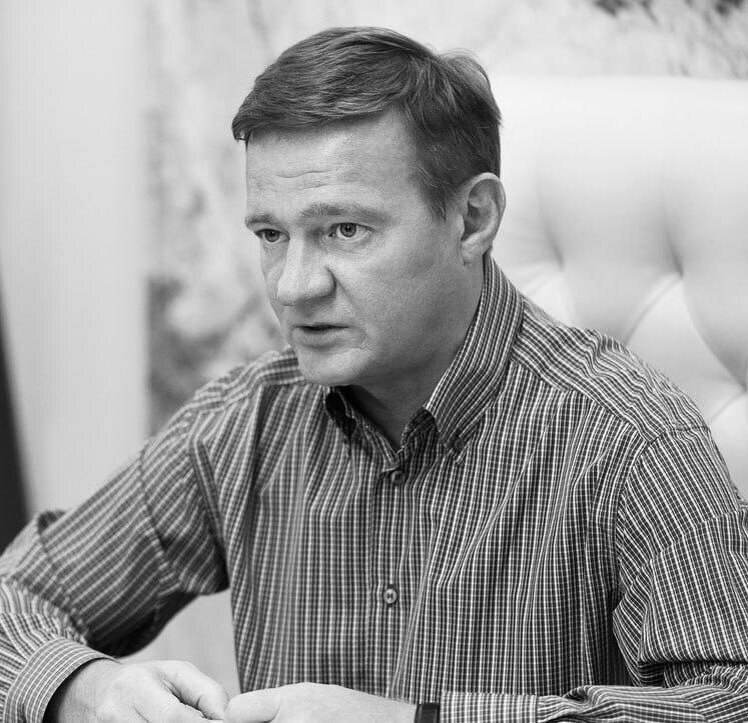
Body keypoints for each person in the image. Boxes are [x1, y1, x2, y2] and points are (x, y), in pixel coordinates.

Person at [2, 25, 748, 723]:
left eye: (345, 230)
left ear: (473, 218)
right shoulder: (246, 418)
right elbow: (20, 594)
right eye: (271, 234)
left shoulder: (631, 438)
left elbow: (729, 701)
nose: (294, 286)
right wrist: (85, 688)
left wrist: (411, 720)